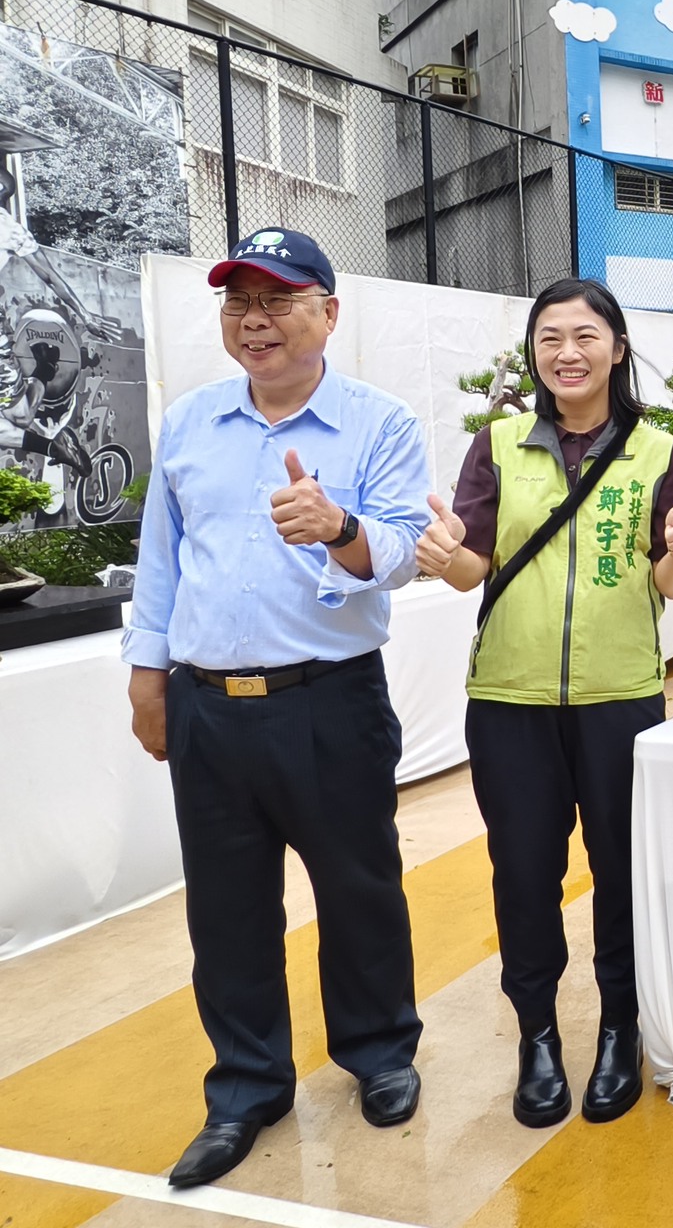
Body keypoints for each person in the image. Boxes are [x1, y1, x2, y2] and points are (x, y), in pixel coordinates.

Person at [123, 228, 431, 1188]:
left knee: (358, 887)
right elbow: (162, 558)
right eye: (237, 303)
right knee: (226, 912)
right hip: (208, 706)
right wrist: (147, 672)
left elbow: (405, 549)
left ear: (327, 314)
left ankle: (379, 1051)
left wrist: (337, 528)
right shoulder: (190, 424)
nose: (254, 322)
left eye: (277, 300)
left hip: (328, 700)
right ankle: (248, 1088)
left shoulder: (377, 423)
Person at [413, 278, 673, 1127]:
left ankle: (621, 1028)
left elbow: (669, 580)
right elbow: (474, 568)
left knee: (620, 874)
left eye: (584, 335)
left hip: (621, 698)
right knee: (524, 876)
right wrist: (443, 555)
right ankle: (536, 1034)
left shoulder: (659, 449)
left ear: (616, 347)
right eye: (549, 338)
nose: (566, 353)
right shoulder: (497, 444)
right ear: (533, 354)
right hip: (510, 700)